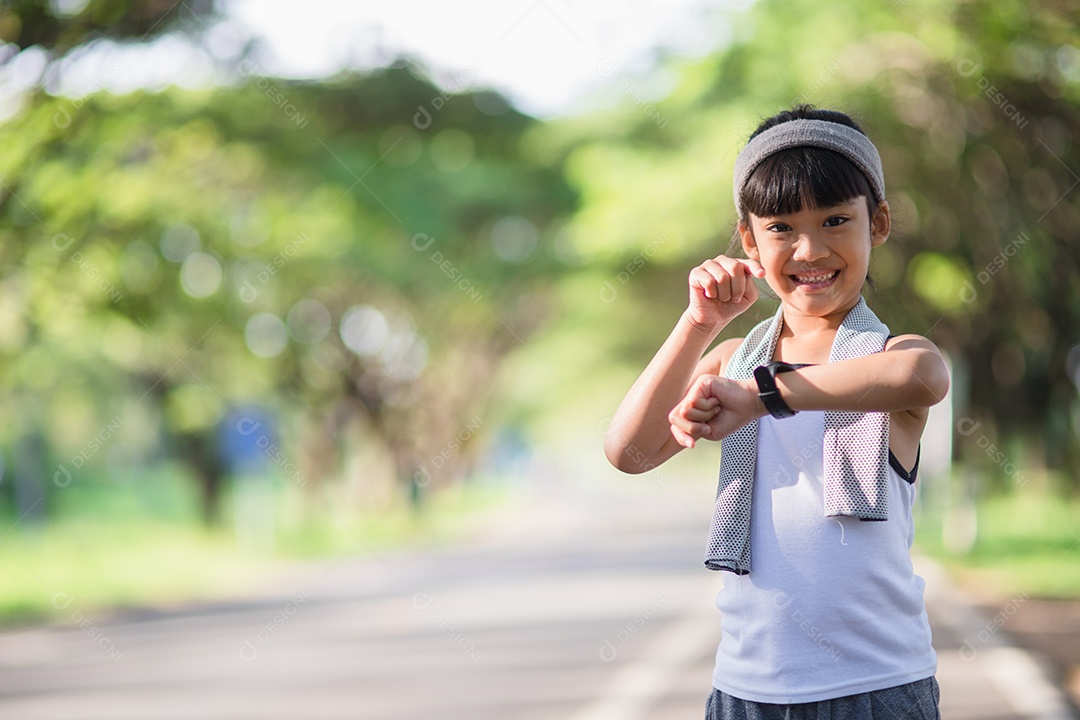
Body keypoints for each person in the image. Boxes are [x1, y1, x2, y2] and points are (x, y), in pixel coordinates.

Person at [604, 105, 949, 719]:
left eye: (837, 220)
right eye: (781, 227)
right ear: (749, 241)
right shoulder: (734, 359)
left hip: (876, 688)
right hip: (746, 690)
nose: (809, 248)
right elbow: (627, 452)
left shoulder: (885, 356)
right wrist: (699, 324)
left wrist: (765, 397)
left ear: (880, 223)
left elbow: (922, 376)